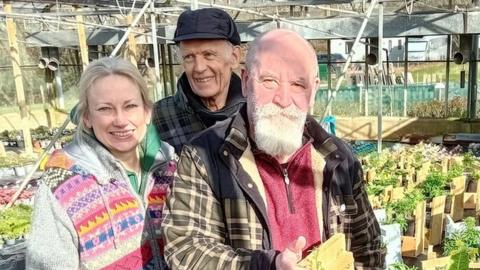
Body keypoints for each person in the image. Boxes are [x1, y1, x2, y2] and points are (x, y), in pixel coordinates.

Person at [162, 29, 385, 269]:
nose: (283, 98)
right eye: (269, 81)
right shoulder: (205, 155)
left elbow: (367, 247)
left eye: (298, 84)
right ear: (246, 82)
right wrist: (268, 265)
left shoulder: (338, 158)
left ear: (314, 91)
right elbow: (185, 250)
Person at [26, 57, 176, 270]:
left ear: (147, 111)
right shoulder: (61, 185)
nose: (121, 120)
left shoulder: (171, 168)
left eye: (130, 106)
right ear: (86, 117)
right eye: (105, 109)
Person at [152, 8, 244, 154]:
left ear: (234, 57)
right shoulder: (157, 118)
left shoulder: (254, 114)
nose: (199, 68)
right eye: (189, 57)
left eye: (209, 55)